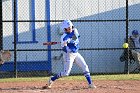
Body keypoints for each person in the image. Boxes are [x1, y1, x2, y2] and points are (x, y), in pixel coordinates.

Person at [46, 20, 96, 89]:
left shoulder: (75, 30)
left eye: (70, 27)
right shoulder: (63, 37)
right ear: (65, 29)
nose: (70, 29)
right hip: (68, 55)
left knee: (85, 66)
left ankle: (90, 84)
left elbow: (77, 37)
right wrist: (65, 45)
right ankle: (52, 79)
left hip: (76, 53)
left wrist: (70, 40)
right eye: (68, 28)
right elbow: (64, 50)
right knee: (66, 73)